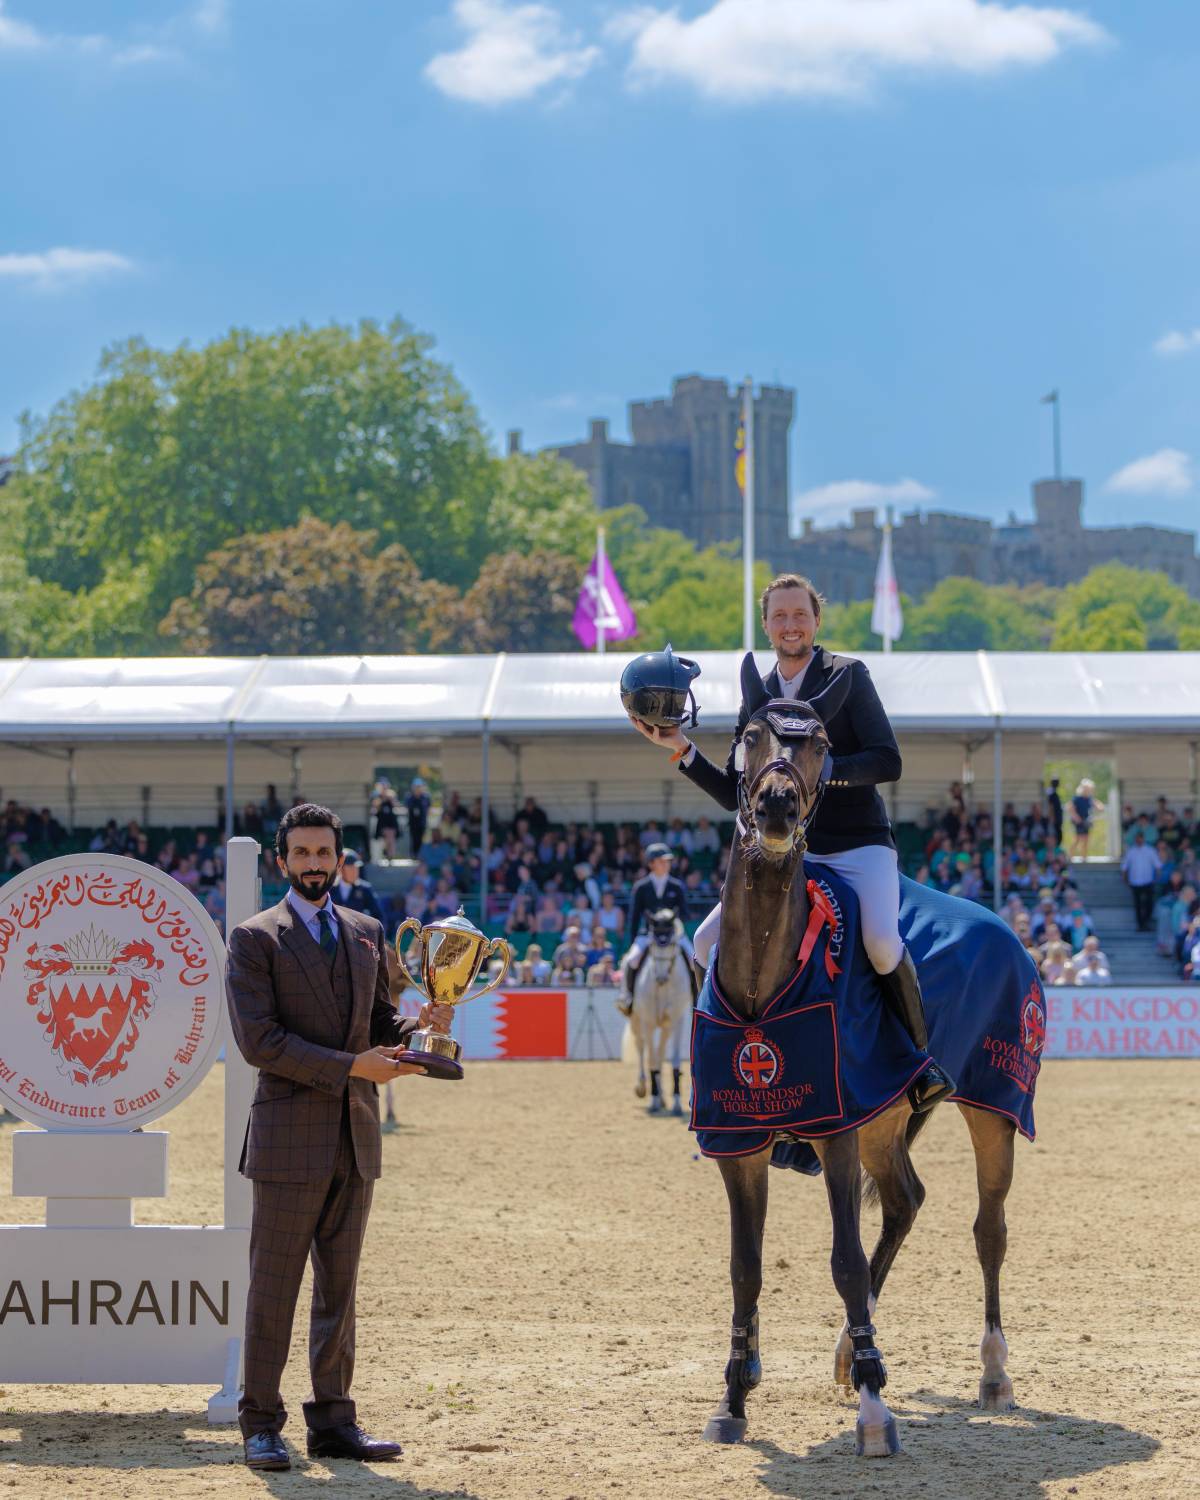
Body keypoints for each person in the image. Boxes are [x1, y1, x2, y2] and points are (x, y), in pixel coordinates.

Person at [625, 572, 953, 1113]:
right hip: (781, 854)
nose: (790, 624)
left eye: (799, 614)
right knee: (704, 945)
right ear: (766, 624)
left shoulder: (850, 674)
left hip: (854, 846)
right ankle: (726, 1055)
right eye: (779, 615)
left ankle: (918, 1063)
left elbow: (887, 761)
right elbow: (738, 795)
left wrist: (821, 772)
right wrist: (681, 747)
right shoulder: (759, 691)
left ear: (816, 620)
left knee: (880, 943)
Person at [224, 803, 452, 1471]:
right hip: (288, 1140)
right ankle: (260, 1420)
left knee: (339, 1290)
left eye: (325, 853)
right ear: (282, 862)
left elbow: (381, 1025)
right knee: (274, 1288)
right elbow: (259, 1043)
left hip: (355, 1137)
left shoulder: (365, 931)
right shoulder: (254, 938)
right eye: (303, 853)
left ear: (340, 859)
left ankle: (333, 1420)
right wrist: (354, 1066)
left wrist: (421, 1027)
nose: (315, 864)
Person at [618, 842, 695, 1017]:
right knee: (631, 961)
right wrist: (633, 943)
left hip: (673, 934)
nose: (666, 864)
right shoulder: (641, 887)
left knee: (693, 960)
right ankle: (627, 998)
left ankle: (697, 1000)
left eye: (667, 861)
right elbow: (635, 918)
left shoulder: (677, 886)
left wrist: (671, 919)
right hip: (649, 934)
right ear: (651, 863)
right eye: (661, 861)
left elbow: (685, 914)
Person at [1120, 829, 1162, 932]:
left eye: (1140, 838)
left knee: (1149, 904)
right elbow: (1125, 867)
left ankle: (1146, 922)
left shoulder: (1150, 850)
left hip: (1148, 882)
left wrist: (1156, 879)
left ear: (1143, 839)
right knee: (1138, 905)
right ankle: (1140, 925)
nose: (1139, 840)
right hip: (1135, 882)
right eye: (1137, 838)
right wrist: (1125, 879)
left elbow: (1157, 866)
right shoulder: (1131, 851)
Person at [335, 849, 387, 928]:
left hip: (357, 934)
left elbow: (378, 916)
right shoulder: (330, 888)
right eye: (350, 868)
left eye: (356, 868)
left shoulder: (364, 889)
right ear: (341, 869)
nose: (355, 871)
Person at [1069, 778, 1104, 861]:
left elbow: (1098, 805)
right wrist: (1076, 818)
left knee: (1086, 840)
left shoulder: (1089, 799)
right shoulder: (1077, 798)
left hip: (1086, 822)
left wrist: (1099, 808)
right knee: (1077, 839)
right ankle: (1070, 857)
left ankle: (1084, 858)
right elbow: (1070, 808)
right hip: (1079, 822)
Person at [404, 777, 430, 857]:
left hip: (422, 822)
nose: (417, 789)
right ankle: (414, 855)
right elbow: (407, 808)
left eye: (419, 786)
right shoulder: (409, 797)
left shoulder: (425, 797)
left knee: (422, 840)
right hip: (413, 822)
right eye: (416, 787)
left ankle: (421, 855)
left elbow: (428, 809)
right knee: (414, 839)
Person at [1045, 778, 1064, 851]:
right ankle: (1055, 848)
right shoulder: (1051, 794)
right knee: (1056, 834)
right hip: (1055, 819)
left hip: (1058, 819)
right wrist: (1051, 818)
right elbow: (1051, 807)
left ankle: (1057, 848)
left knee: (1059, 834)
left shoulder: (1054, 793)